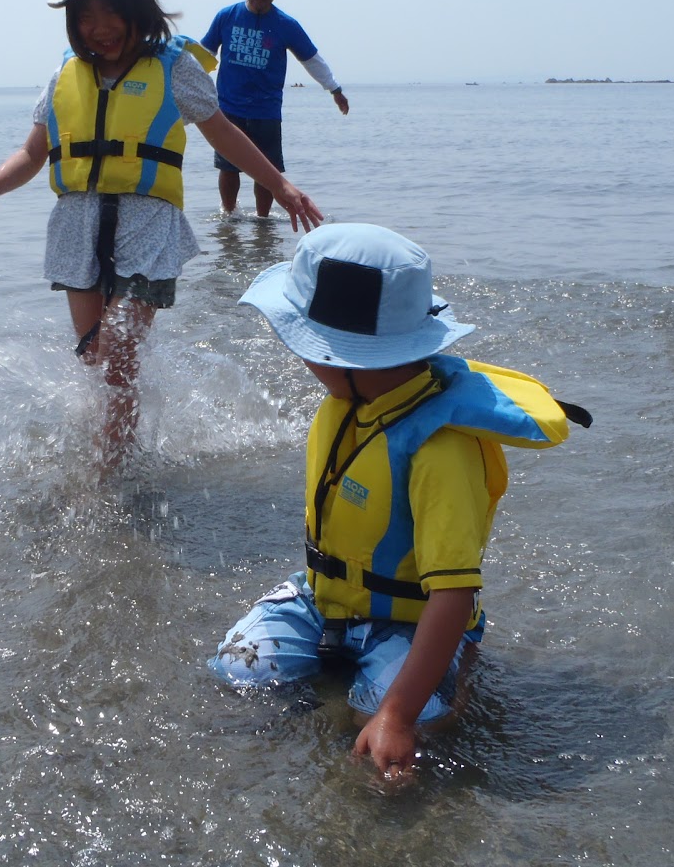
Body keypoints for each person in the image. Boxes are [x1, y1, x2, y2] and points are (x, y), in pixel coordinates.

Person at [207, 224, 586, 778]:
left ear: (350, 356)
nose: (300, 357)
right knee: (237, 672)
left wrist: (397, 716)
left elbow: (454, 592)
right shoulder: (350, 403)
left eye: (304, 343)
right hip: (322, 599)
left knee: (403, 729)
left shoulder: (440, 450)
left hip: (412, 618)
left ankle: (454, 668)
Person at [0, 0, 325, 464]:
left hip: (148, 226)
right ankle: (111, 450)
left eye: (112, 12)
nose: (99, 27)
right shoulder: (64, 73)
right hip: (77, 227)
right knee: (93, 360)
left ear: (141, 10)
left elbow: (224, 135)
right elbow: (33, 152)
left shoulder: (175, 68)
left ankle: (112, 476)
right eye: (85, 15)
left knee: (117, 363)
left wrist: (280, 185)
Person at [201, 0, 349, 217]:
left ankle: (262, 221)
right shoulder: (227, 16)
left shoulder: (285, 24)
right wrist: (182, 85)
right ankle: (228, 217)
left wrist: (334, 89)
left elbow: (311, 59)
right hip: (228, 106)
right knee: (228, 167)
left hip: (266, 109)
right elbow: (204, 53)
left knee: (267, 168)